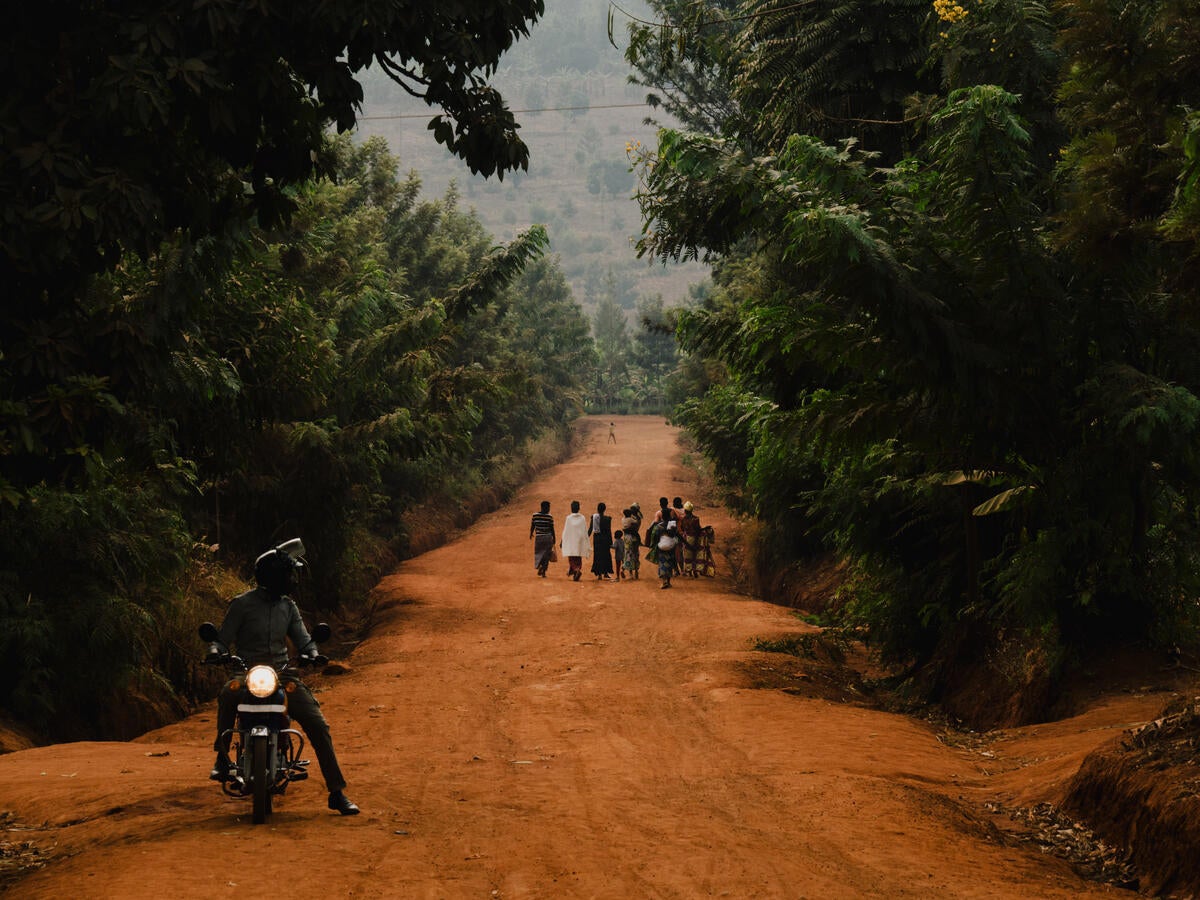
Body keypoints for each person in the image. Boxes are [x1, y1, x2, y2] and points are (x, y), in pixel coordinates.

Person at [211, 541, 359, 816]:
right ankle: (221, 758)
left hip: (282, 673)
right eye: (289, 575)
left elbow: (304, 640)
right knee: (228, 693)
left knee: (318, 724)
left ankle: (336, 792)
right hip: (246, 672)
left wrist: (312, 653)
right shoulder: (241, 604)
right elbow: (222, 639)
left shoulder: (288, 607)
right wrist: (216, 651)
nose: (292, 581)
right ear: (276, 577)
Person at [560, 500, 590, 581]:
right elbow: (584, 530)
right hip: (579, 540)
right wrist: (585, 541)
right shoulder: (582, 518)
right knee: (578, 556)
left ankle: (576, 570)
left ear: (571, 508)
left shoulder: (568, 518)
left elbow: (566, 531)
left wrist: (562, 541)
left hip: (571, 540)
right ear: (579, 508)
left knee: (571, 556)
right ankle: (574, 570)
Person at [530, 500, 556, 577]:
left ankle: (540, 566)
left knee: (539, 553)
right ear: (546, 508)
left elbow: (532, 525)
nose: (549, 509)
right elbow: (552, 529)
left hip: (539, 538)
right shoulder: (549, 517)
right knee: (547, 555)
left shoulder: (535, 515)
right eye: (548, 507)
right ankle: (544, 571)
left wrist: (531, 533)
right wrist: (554, 538)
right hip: (548, 538)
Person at [589, 501, 614, 580]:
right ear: (604, 509)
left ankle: (599, 574)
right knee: (606, 555)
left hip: (597, 539)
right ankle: (606, 573)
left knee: (598, 556)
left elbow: (590, 529)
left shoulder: (594, 517)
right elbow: (609, 531)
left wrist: (586, 538)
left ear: (597, 509)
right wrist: (611, 542)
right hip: (605, 539)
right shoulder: (608, 519)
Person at [678, 501, 703, 577]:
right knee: (695, 554)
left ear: (685, 511)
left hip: (686, 538)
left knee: (687, 555)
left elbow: (682, 528)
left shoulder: (683, 519)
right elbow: (698, 529)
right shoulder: (696, 519)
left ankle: (689, 571)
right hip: (695, 537)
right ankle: (695, 570)